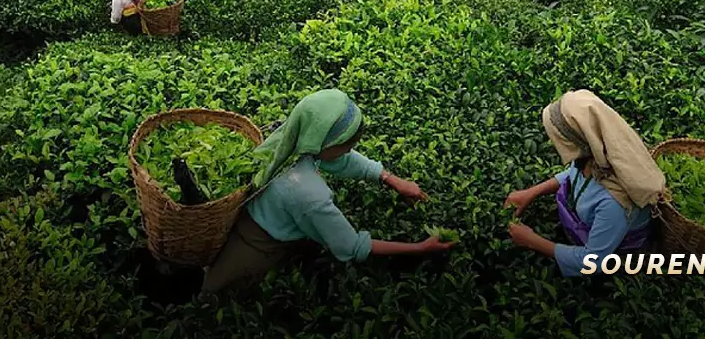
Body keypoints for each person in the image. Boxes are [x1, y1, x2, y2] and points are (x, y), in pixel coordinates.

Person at [201, 89, 455, 295]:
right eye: (346, 146)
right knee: (220, 294)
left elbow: (342, 160)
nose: (349, 151)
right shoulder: (307, 193)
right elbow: (351, 246)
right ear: (324, 142)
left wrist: (390, 179)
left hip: (251, 217)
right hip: (256, 246)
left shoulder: (286, 139)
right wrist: (421, 248)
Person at [504, 89, 666, 277]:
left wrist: (531, 240)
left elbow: (592, 262)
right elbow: (574, 175)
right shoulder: (597, 152)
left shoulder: (615, 204)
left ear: (578, 142)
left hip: (615, 249)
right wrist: (532, 192)